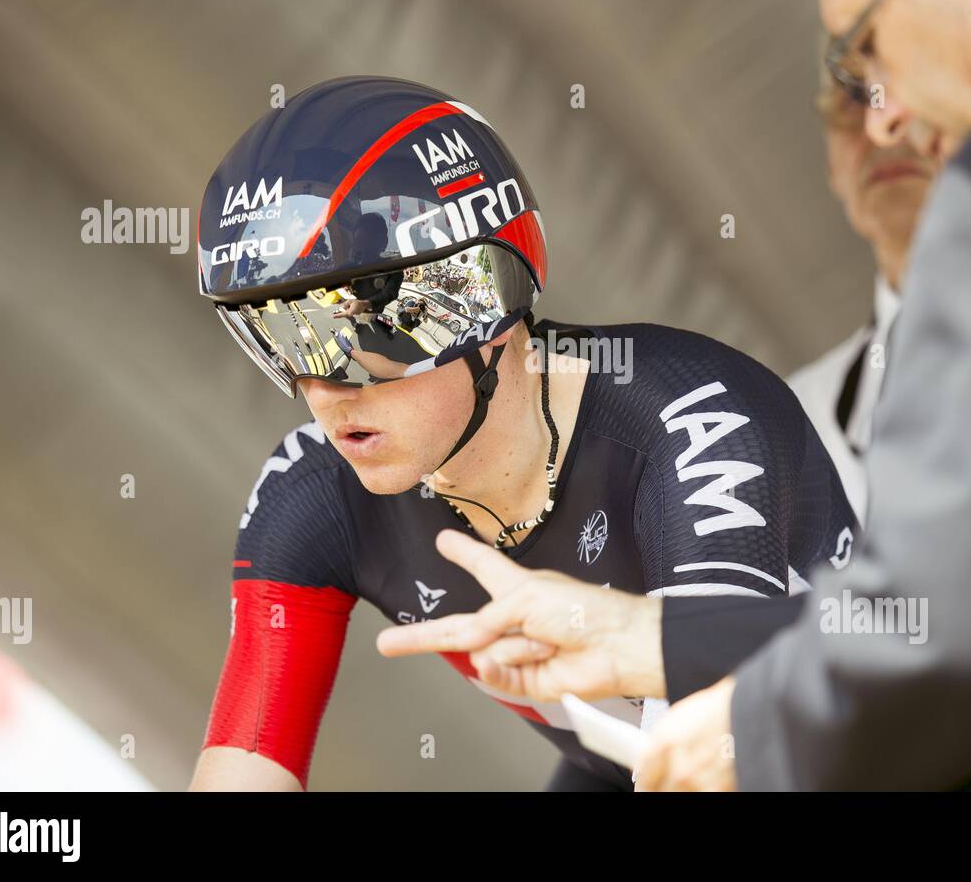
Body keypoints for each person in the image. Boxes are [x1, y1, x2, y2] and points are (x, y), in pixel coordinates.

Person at [378, 0, 971, 791]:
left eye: (866, 44)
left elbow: (958, 633)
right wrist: (660, 641)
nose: (887, 113)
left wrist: (752, 729)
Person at [189, 76, 857, 791]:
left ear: (482, 297)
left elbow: (729, 746)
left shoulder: (693, 419)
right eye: (278, 339)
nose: (320, 390)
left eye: (353, 330)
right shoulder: (312, 492)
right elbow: (242, 770)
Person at [791, 72, 935, 520]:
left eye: (911, 85)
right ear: (833, 168)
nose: (879, 125)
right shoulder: (789, 422)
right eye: (851, 99)